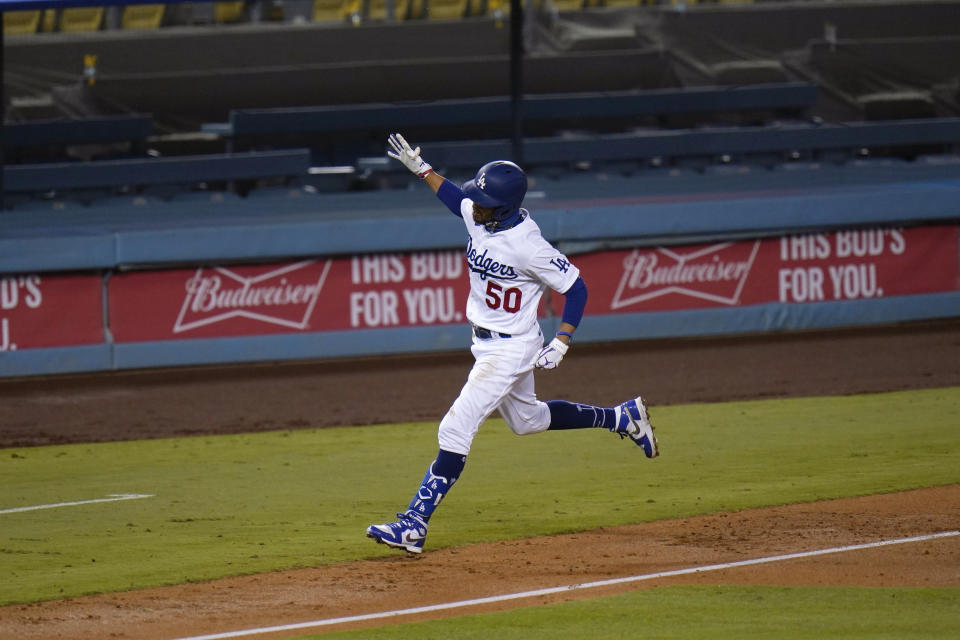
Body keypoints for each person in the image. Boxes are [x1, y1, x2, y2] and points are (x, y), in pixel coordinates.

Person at [366, 133, 659, 554]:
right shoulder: (482, 215)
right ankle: (622, 418)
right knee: (528, 421)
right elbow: (456, 200)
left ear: (502, 207)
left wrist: (563, 339)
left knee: (455, 428)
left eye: (482, 202)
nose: (474, 205)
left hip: (511, 348)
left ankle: (413, 524)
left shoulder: (529, 246)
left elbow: (576, 289)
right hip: (486, 343)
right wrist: (423, 169)